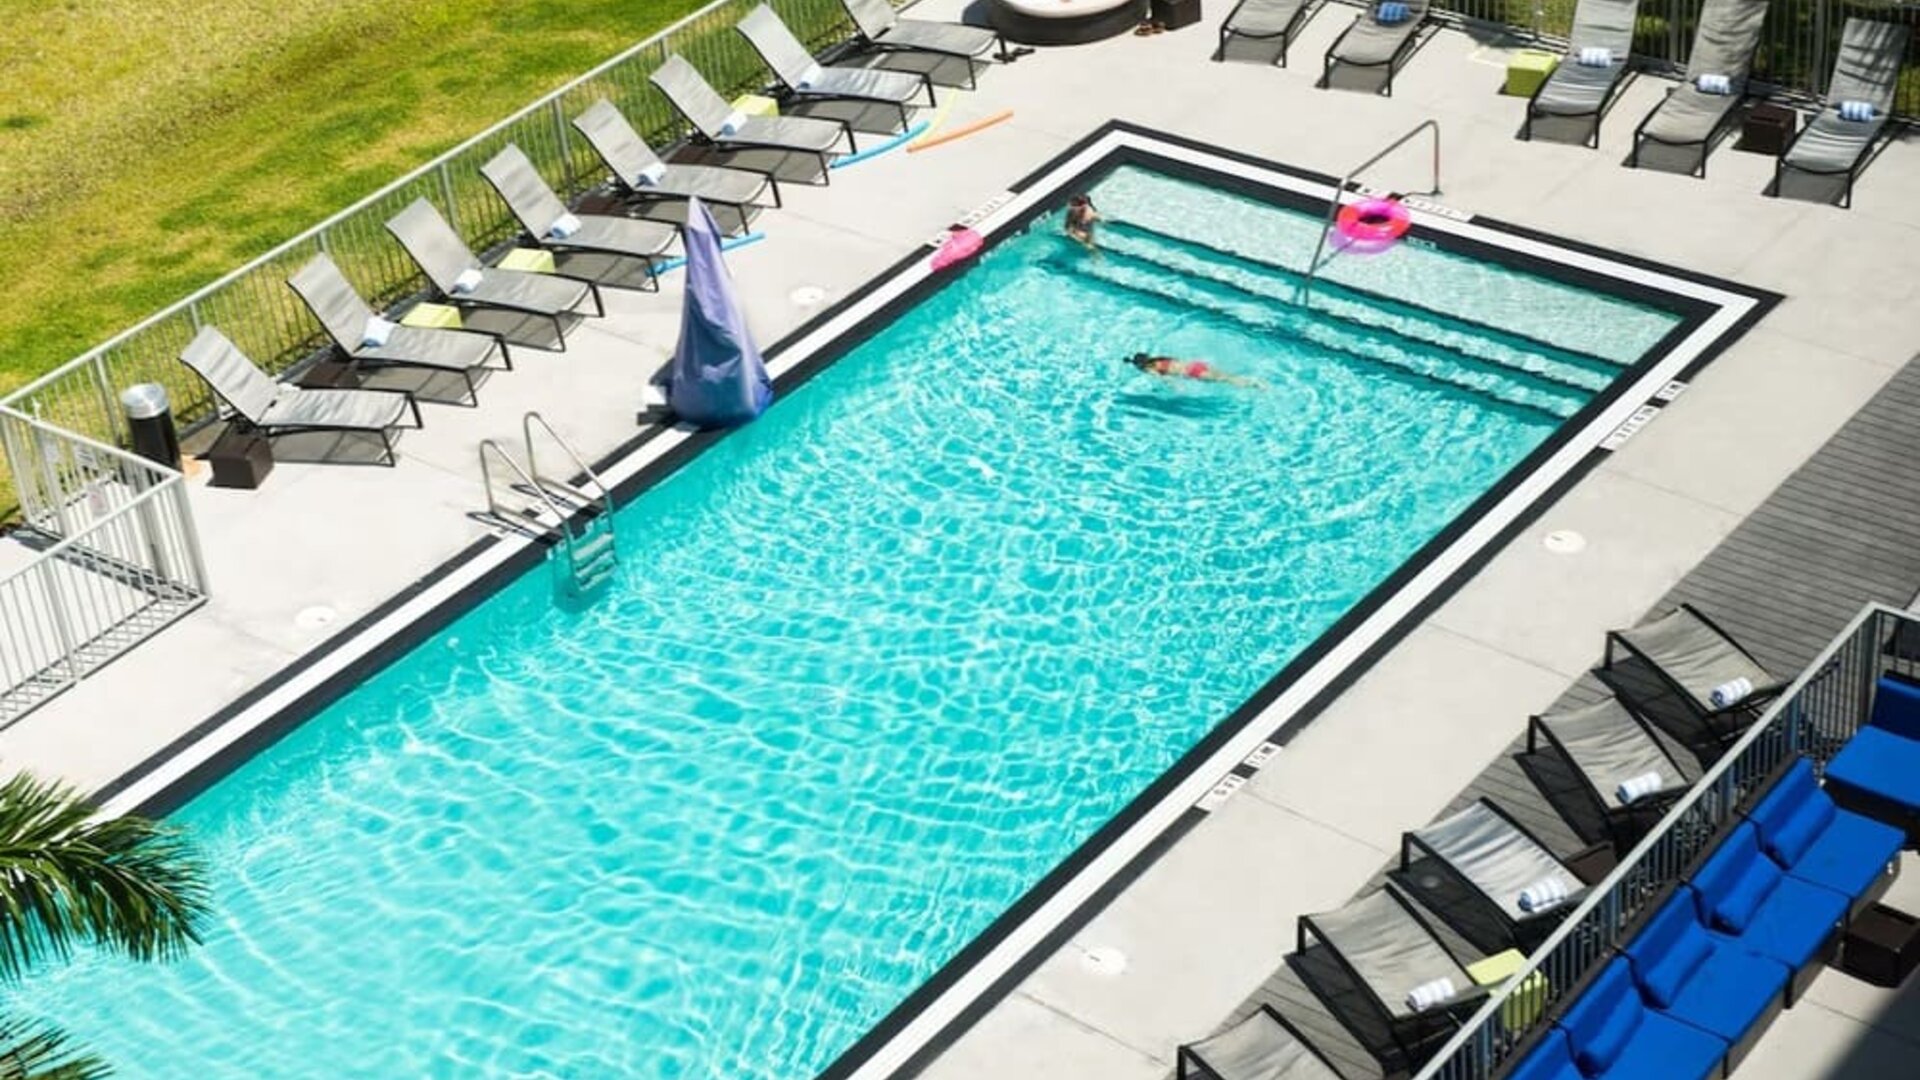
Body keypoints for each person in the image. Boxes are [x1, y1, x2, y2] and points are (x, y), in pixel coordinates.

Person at [1123, 352, 1261, 387]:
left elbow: (1165, 379)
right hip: (1196, 365)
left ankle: (1253, 384)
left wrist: (1176, 387)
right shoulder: (1159, 358)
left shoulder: (1149, 369)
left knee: (1226, 380)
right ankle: (1249, 380)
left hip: (1193, 373)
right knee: (1226, 376)